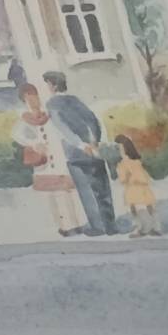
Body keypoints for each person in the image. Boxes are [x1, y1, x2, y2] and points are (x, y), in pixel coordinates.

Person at [43, 71, 117, 236]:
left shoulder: (53, 104)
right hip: (94, 149)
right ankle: (110, 225)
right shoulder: (76, 100)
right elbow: (93, 120)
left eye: (48, 83)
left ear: (53, 85)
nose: (47, 87)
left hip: (76, 152)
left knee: (87, 191)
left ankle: (98, 227)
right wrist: (94, 142)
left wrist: (81, 145)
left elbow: (63, 128)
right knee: (102, 187)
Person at [12, 83, 85, 237]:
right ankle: (65, 226)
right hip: (43, 160)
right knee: (53, 194)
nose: (32, 101)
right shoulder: (25, 118)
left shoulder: (48, 115)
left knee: (66, 191)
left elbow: (61, 132)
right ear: (24, 101)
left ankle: (76, 224)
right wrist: (34, 144)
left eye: (34, 96)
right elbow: (16, 134)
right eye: (28, 98)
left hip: (57, 157)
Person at [116, 136, 162, 237]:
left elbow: (126, 178)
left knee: (139, 208)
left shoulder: (128, 162)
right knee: (143, 207)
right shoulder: (132, 162)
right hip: (136, 188)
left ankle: (145, 228)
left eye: (121, 148)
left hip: (135, 188)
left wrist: (128, 177)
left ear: (127, 149)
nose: (120, 151)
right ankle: (151, 228)